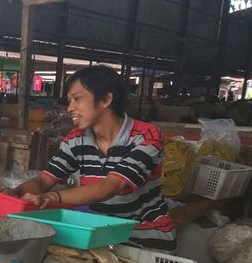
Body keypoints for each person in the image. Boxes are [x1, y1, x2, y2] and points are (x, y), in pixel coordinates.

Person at [14, 65, 176, 253]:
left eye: (77, 99)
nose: (70, 108)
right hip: (103, 238)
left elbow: (111, 186)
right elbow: (44, 180)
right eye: (69, 101)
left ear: (106, 99)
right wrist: (14, 194)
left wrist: (52, 197)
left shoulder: (146, 137)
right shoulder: (76, 139)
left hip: (147, 241)